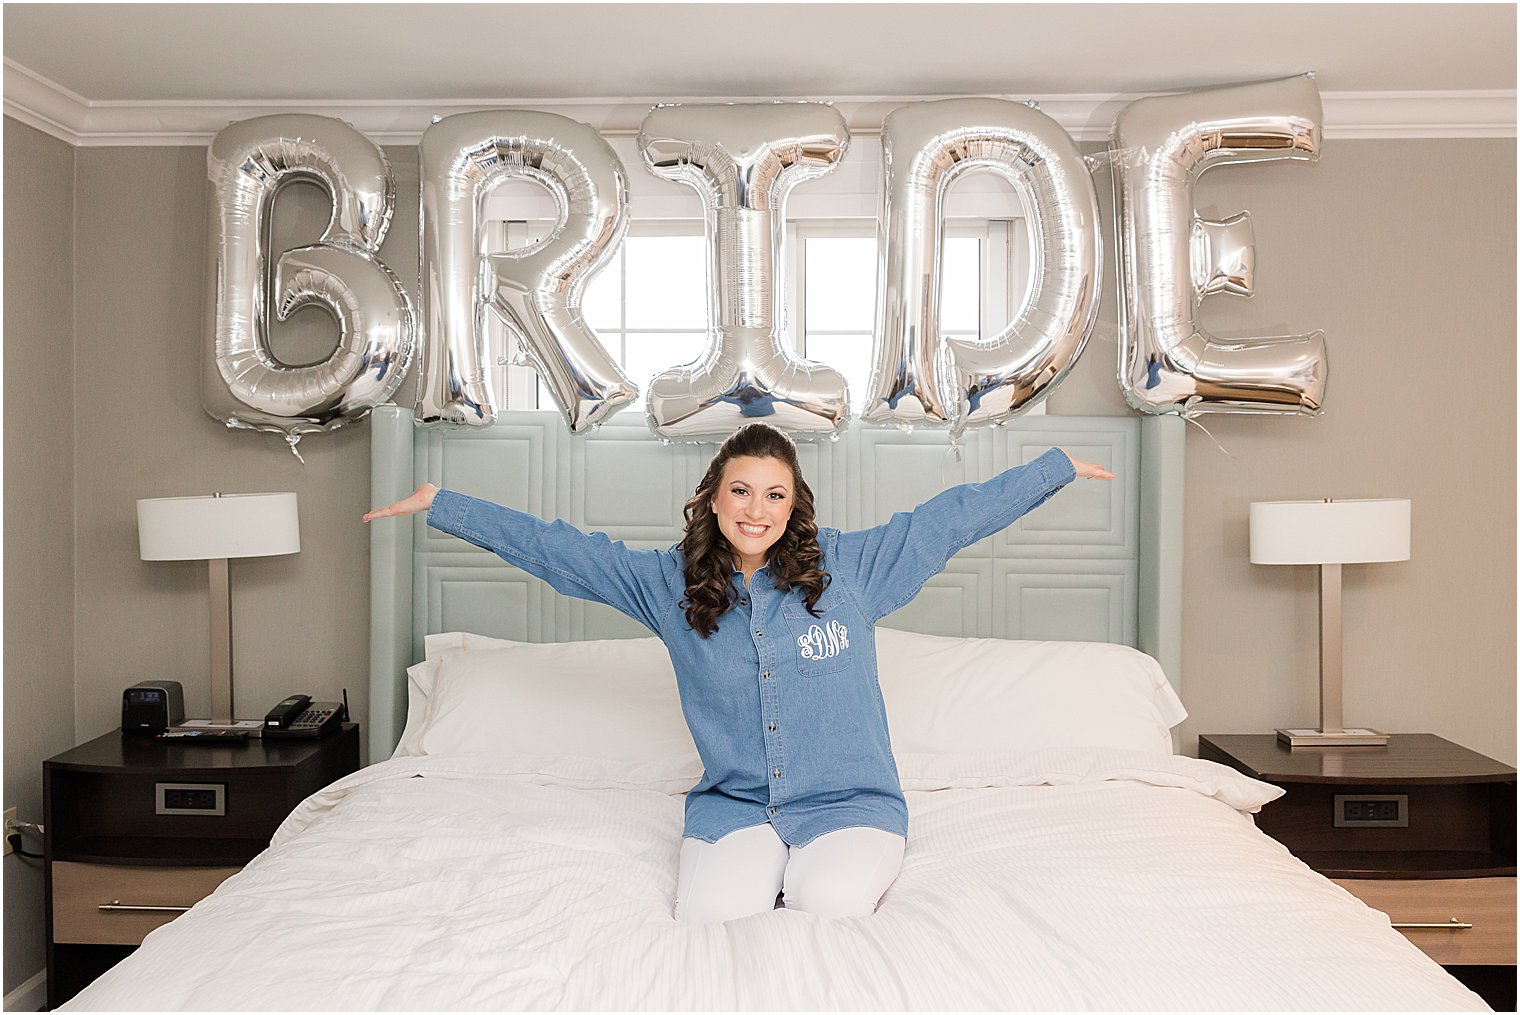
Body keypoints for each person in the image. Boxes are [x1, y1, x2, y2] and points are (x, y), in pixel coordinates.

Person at [364, 423, 1114, 923]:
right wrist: (445, 505)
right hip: (736, 807)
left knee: (828, 907)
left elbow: (951, 517)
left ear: (795, 504)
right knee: (713, 923)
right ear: (715, 499)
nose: (758, 509)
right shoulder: (667, 584)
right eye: (742, 491)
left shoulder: (851, 571)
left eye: (775, 493)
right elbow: (563, 551)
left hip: (852, 805)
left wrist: (1054, 469)